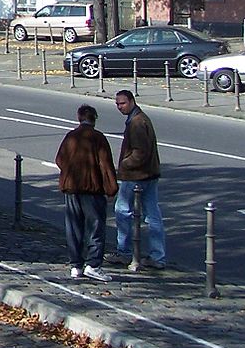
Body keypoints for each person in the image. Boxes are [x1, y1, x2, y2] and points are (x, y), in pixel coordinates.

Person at [54, 104, 118, 281]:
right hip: (92, 189)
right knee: (95, 226)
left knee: (74, 228)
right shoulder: (98, 138)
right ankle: (94, 264)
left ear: (78, 117)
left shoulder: (71, 137)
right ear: (94, 118)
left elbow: (60, 159)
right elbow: (105, 165)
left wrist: (70, 172)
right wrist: (112, 188)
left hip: (71, 187)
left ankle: (76, 265)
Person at [111, 90, 166, 268]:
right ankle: (157, 257)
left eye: (123, 103)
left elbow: (140, 153)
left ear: (132, 101)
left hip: (137, 175)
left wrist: (124, 165)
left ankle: (125, 252)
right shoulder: (140, 118)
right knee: (152, 215)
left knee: (123, 211)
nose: (120, 107)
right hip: (150, 174)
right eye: (117, 104)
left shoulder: (137, 122)